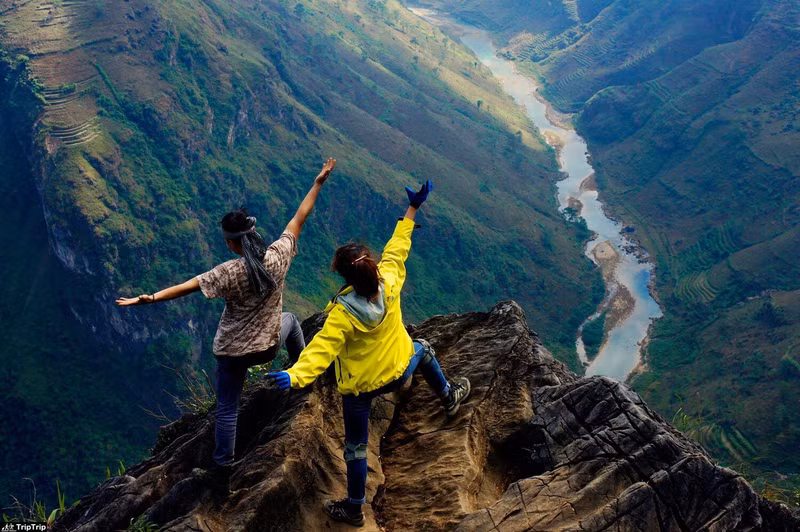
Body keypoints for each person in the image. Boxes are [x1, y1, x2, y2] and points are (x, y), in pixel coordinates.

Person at [116, 157, 337, 489]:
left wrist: (148, 298)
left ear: (232, 243)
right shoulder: (277, 257)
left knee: (228, 408)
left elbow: (188, 286)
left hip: (232, 352)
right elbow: (299, 217)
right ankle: (304, 373)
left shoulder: (228, 272)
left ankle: (223, 469)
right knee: (289, 320)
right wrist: (318, 182)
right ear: (253, 234)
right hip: (266, 348)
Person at [267, 179, 471, 527]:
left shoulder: (343, 314)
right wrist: (412, 208)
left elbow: (320, 352)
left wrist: (293, 375)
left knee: (356, 447)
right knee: (423, 349)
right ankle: (449, 397)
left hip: (362, 389)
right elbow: (397, 249)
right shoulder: (389, 280)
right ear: (371, 265)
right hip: (400, 369)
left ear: (345, 276)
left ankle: (355, 507)